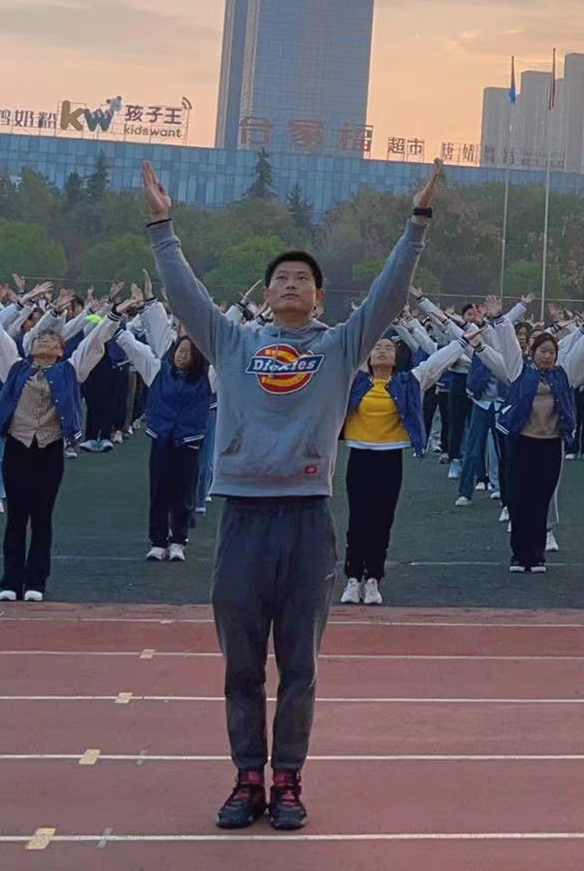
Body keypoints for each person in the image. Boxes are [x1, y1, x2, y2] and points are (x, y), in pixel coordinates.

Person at [144, 157, 437, 833]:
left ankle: (288, 781)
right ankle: (247, 777)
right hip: (243, 519)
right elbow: (185, 295)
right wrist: (162, 227)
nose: (292, 284)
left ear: (319, 297)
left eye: (304, 278)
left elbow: (389, 295)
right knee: (242, 666)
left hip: (306, 520)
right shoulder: (233, 342)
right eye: (281, 277)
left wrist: (417, 222)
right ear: (268, 293)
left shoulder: (339, 348)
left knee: (299, 665)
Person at [0, 294, 117, 603]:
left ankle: (36, 580)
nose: (45, 341)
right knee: (16, 516)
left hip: (49, 447)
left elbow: (93, 343)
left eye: (52, 339)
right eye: (41, 338)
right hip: (18, 445)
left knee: (42, 516)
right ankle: (10, 580)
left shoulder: (69, 371)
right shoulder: (16, 368)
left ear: (61, 350)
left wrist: (113, 315)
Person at [337, 322, 461, 603]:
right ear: (368, 357)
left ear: (396, 358)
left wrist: (463, 342)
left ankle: (373, 580)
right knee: (358, 520)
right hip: (360, 457)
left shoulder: (407, 382)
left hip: (390, 458)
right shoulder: (354, 380)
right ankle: (353, 579)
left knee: (382, 520)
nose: (382, 351)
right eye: (377, 348)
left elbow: (435, 364)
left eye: (388, 348)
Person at [485, 316, 584, 572]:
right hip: (522, 442)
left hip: (550, 444)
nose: (547, 356)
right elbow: (508, 346)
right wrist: (499, 320)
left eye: (551, 352)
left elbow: (582, 355)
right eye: (542, 351)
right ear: (532, 353)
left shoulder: (562, 375)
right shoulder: (519, 371)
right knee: (519, 499)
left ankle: (536, 555)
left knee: (541, 499)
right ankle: (519, 555)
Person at [116, 305, 214, 565]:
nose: (182, 356)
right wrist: (120, 320)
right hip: (161, 439)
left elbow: (226, 354)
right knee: (159, 491)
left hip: (189, 442)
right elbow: (134, 347)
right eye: (180, 351)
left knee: (183, 492)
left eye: (188, 353)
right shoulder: (158, 371)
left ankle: (178, 541)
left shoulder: (207, 378)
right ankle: (158, 542)